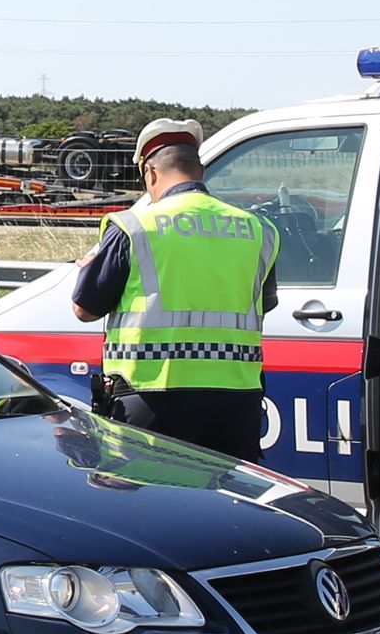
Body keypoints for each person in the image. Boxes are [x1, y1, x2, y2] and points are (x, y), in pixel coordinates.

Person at [69, 117, 280, 462]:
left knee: (147, 509)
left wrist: (87, 268)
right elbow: (263, 303)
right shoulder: (258, 229)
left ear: (150, 174)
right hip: (237, 402)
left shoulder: (134, 227)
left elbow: (85, 308)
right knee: (226, 506)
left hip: (152, 400)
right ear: (200, 171)